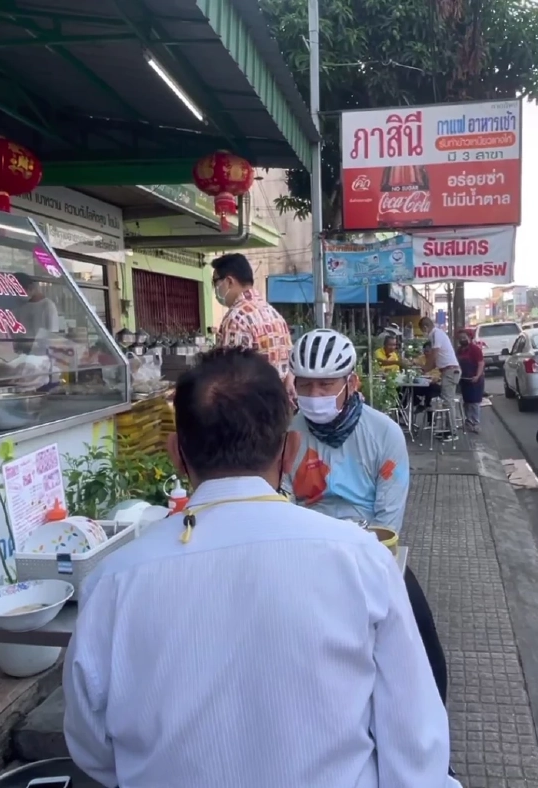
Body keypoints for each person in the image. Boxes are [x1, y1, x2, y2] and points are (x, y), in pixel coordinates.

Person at [65, 347, 458, 788]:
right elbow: (416, 746)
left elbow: (93, 750)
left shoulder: (112, 583)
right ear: (289, 451)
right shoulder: (362, 562)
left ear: (176, 454)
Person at [283, 329, 450, 705]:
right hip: (305, 555)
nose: (314, 397)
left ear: (352, 382)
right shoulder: (288, 435)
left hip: (371, 553)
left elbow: (387, 521)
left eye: (326, 386)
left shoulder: (385, 433)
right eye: (305, 386)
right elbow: (284, 500)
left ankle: (436, 740)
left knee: (422, 637)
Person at [211, 252, 295, 400]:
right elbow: (289, 365)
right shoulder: (273, 314)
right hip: (277, 406)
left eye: (216, 283)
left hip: (251, 408)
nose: (215, 290)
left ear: (229, 281)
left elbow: (230, 376)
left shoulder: (236, 318)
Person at [418, 317, 460, 394]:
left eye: (422, 330)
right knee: (446, 397)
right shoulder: (435, 334)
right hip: (447, 370)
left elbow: (434, 354)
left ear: (425, 327)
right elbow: (435, 360)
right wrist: (425, 369)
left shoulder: (436, 334)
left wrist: (426, 367)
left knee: (447, 399)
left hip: (450, 370)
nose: (423, 333)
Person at [14, 274, 62, 338]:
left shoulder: (47, 306)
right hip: (21, 345)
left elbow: (53, 333)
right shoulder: (21, 306)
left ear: (30, 288)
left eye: (19, 292)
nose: (17, 295)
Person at [455, 329, 485, 432]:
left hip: (475, 380)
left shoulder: (475, 349)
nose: (462, 340)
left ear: (470, 338)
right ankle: (468, 422)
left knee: (474, 403)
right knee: (466, 402)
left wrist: (477, 375)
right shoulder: (459, 350)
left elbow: (481, 363)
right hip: (464, 379)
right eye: (460, 338)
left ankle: (476, 423)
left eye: (464, 338)